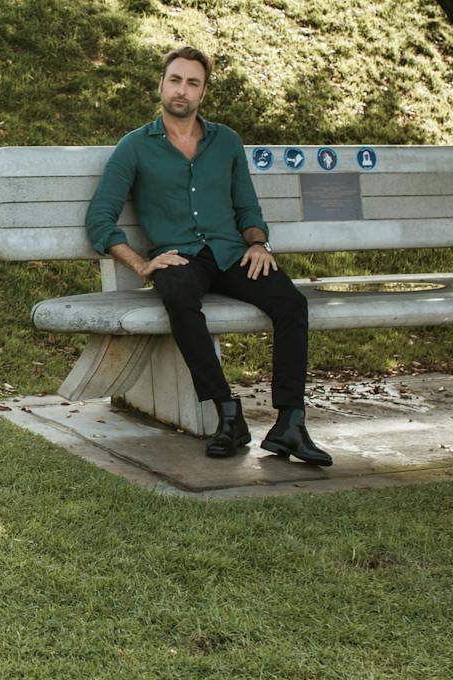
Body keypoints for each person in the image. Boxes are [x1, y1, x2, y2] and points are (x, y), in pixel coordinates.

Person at [84, 47, 331, 466]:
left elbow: (248, 210)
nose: (182, 90)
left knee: (291, 302)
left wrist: (258, 244)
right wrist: (142, 265)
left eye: (192, 83)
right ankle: (228, 415)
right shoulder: (134, 147)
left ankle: (290, 423)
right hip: (179, 257)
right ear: (161, 85)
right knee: (178, 296)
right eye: (175, 80)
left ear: (203, 93)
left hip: (232, 253)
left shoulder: (226, 142)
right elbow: (99, 219)